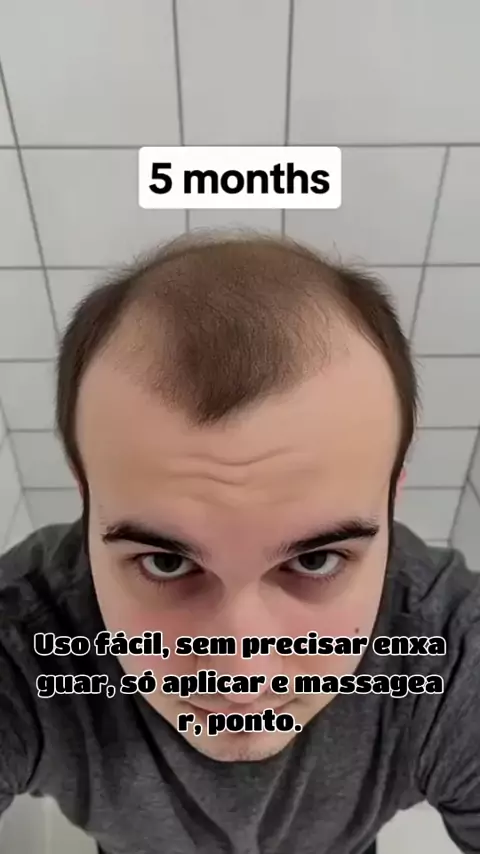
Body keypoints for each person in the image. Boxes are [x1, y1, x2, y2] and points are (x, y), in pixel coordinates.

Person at [0, 231, 478, 854]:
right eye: (166, 562)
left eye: (315, 560)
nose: (243, 677)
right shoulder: (23, 639)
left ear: (391, 500)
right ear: (87, 496)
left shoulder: (450, 653)